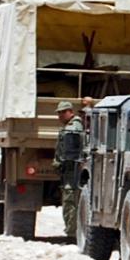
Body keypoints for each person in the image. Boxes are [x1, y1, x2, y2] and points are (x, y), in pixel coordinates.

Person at [52, 101, 84, 237]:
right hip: (71, 170)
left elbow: (69, 151)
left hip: (72, 171)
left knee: (70, 202)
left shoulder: (72, 128)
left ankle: (72, 232)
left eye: (61, 113)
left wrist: (59, 163)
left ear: (69, 112)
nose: (59, 116)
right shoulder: (73, 126)